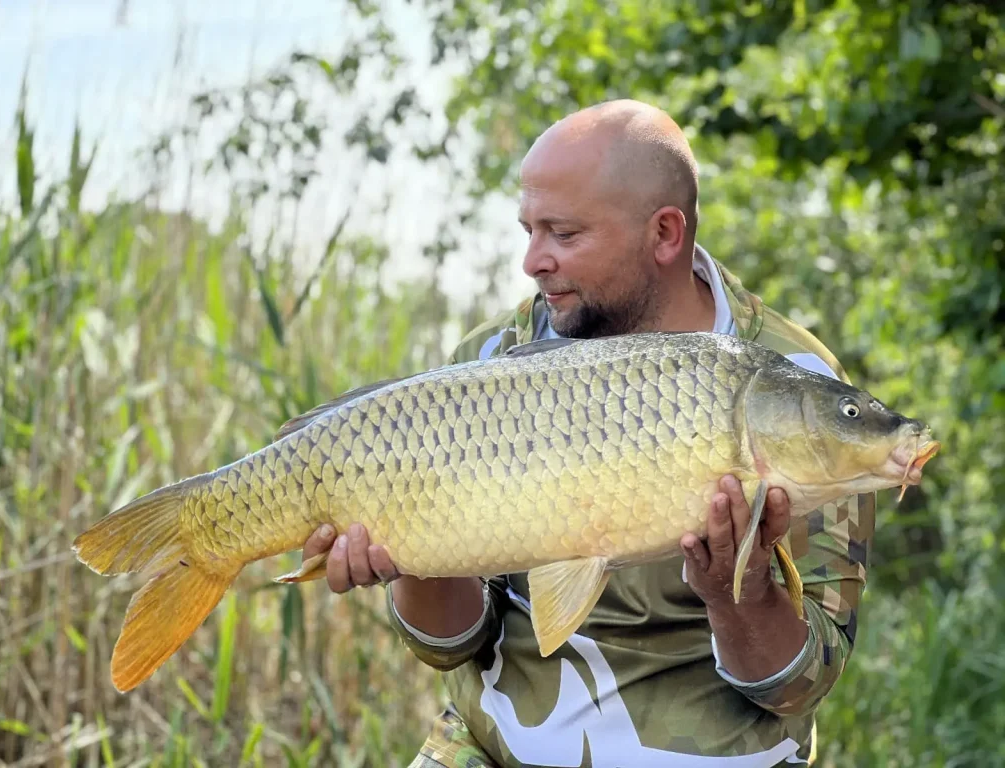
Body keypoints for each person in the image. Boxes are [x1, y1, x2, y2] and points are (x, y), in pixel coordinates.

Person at [298, 99, 875, 767]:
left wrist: (737, 592)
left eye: (563, 235)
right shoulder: (488, 364)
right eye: (529, 230)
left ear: (664, 234)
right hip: (496, 746)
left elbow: (804, 684)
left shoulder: (796, 390)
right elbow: (449, 647)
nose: (532, 262)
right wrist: (412, 562)